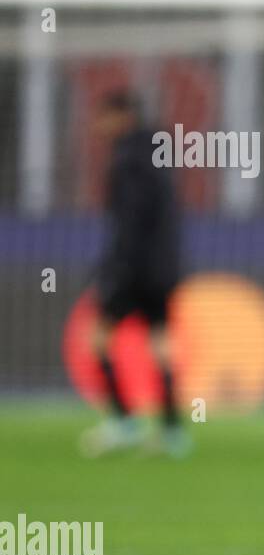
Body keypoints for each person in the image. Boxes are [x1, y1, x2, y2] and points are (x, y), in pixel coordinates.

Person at [80, 90, 190, 459]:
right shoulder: (160, 152)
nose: (98, 126)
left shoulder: (127, 159)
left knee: (97, 338)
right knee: (160, 343)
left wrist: (115, 268)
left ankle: (124, 421)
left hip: (133, 268)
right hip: (163, 267)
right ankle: (173, 432)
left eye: (104, 117)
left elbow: (129, 223)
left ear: (121, 117)